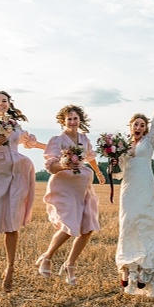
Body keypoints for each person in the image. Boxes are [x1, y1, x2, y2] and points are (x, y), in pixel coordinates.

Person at [0, 90, 46, 295]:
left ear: (9, 104)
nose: (1, 103)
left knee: (12, 223)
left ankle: (10, 268)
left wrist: (57, 150)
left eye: (4, 101)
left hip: (17, 175)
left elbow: (31, 144)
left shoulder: (16, 125)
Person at [36, 105, 105, 286]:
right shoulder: (57, 140)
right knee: (69, 225)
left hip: (82, 185)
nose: (72, 122)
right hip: (64, 185)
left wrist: (98, 173)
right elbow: (51, 166)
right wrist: (64, 165)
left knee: (87, 228)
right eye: (69, 119)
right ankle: (47, 258)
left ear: (80, 120)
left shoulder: (84, 138)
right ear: (63, 121)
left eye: (75, 118)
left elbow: (90, 157)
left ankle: (70, 265)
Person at [113, 83, 154, 301]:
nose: (139, 127)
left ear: (146, 129)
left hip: (145, 186)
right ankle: (128, 269)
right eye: (136, 124)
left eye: (142, 125)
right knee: (128, 225)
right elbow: (119, 173)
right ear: (130, 127)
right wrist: (114, 163)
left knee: (147, 223)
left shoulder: (149, 140)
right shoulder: (121, 146)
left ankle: (147, 267)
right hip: (128, 189)